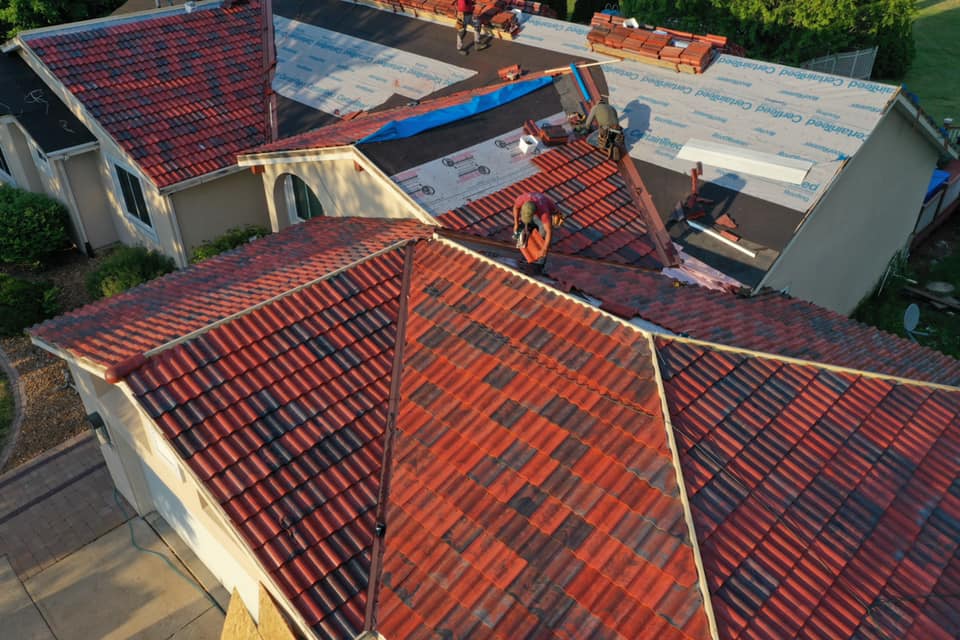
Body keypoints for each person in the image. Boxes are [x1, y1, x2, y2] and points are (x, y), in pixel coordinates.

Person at [512, 192, 558, 273]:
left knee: (543, 235)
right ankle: (526, 254)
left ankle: (539, 263)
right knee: (521, 230)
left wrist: (545, 248)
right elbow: (516, 208)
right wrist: (516, 224)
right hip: (533, 209)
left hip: (546, 212)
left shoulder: (544, 213)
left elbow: (549, 231)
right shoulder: (521, 199)